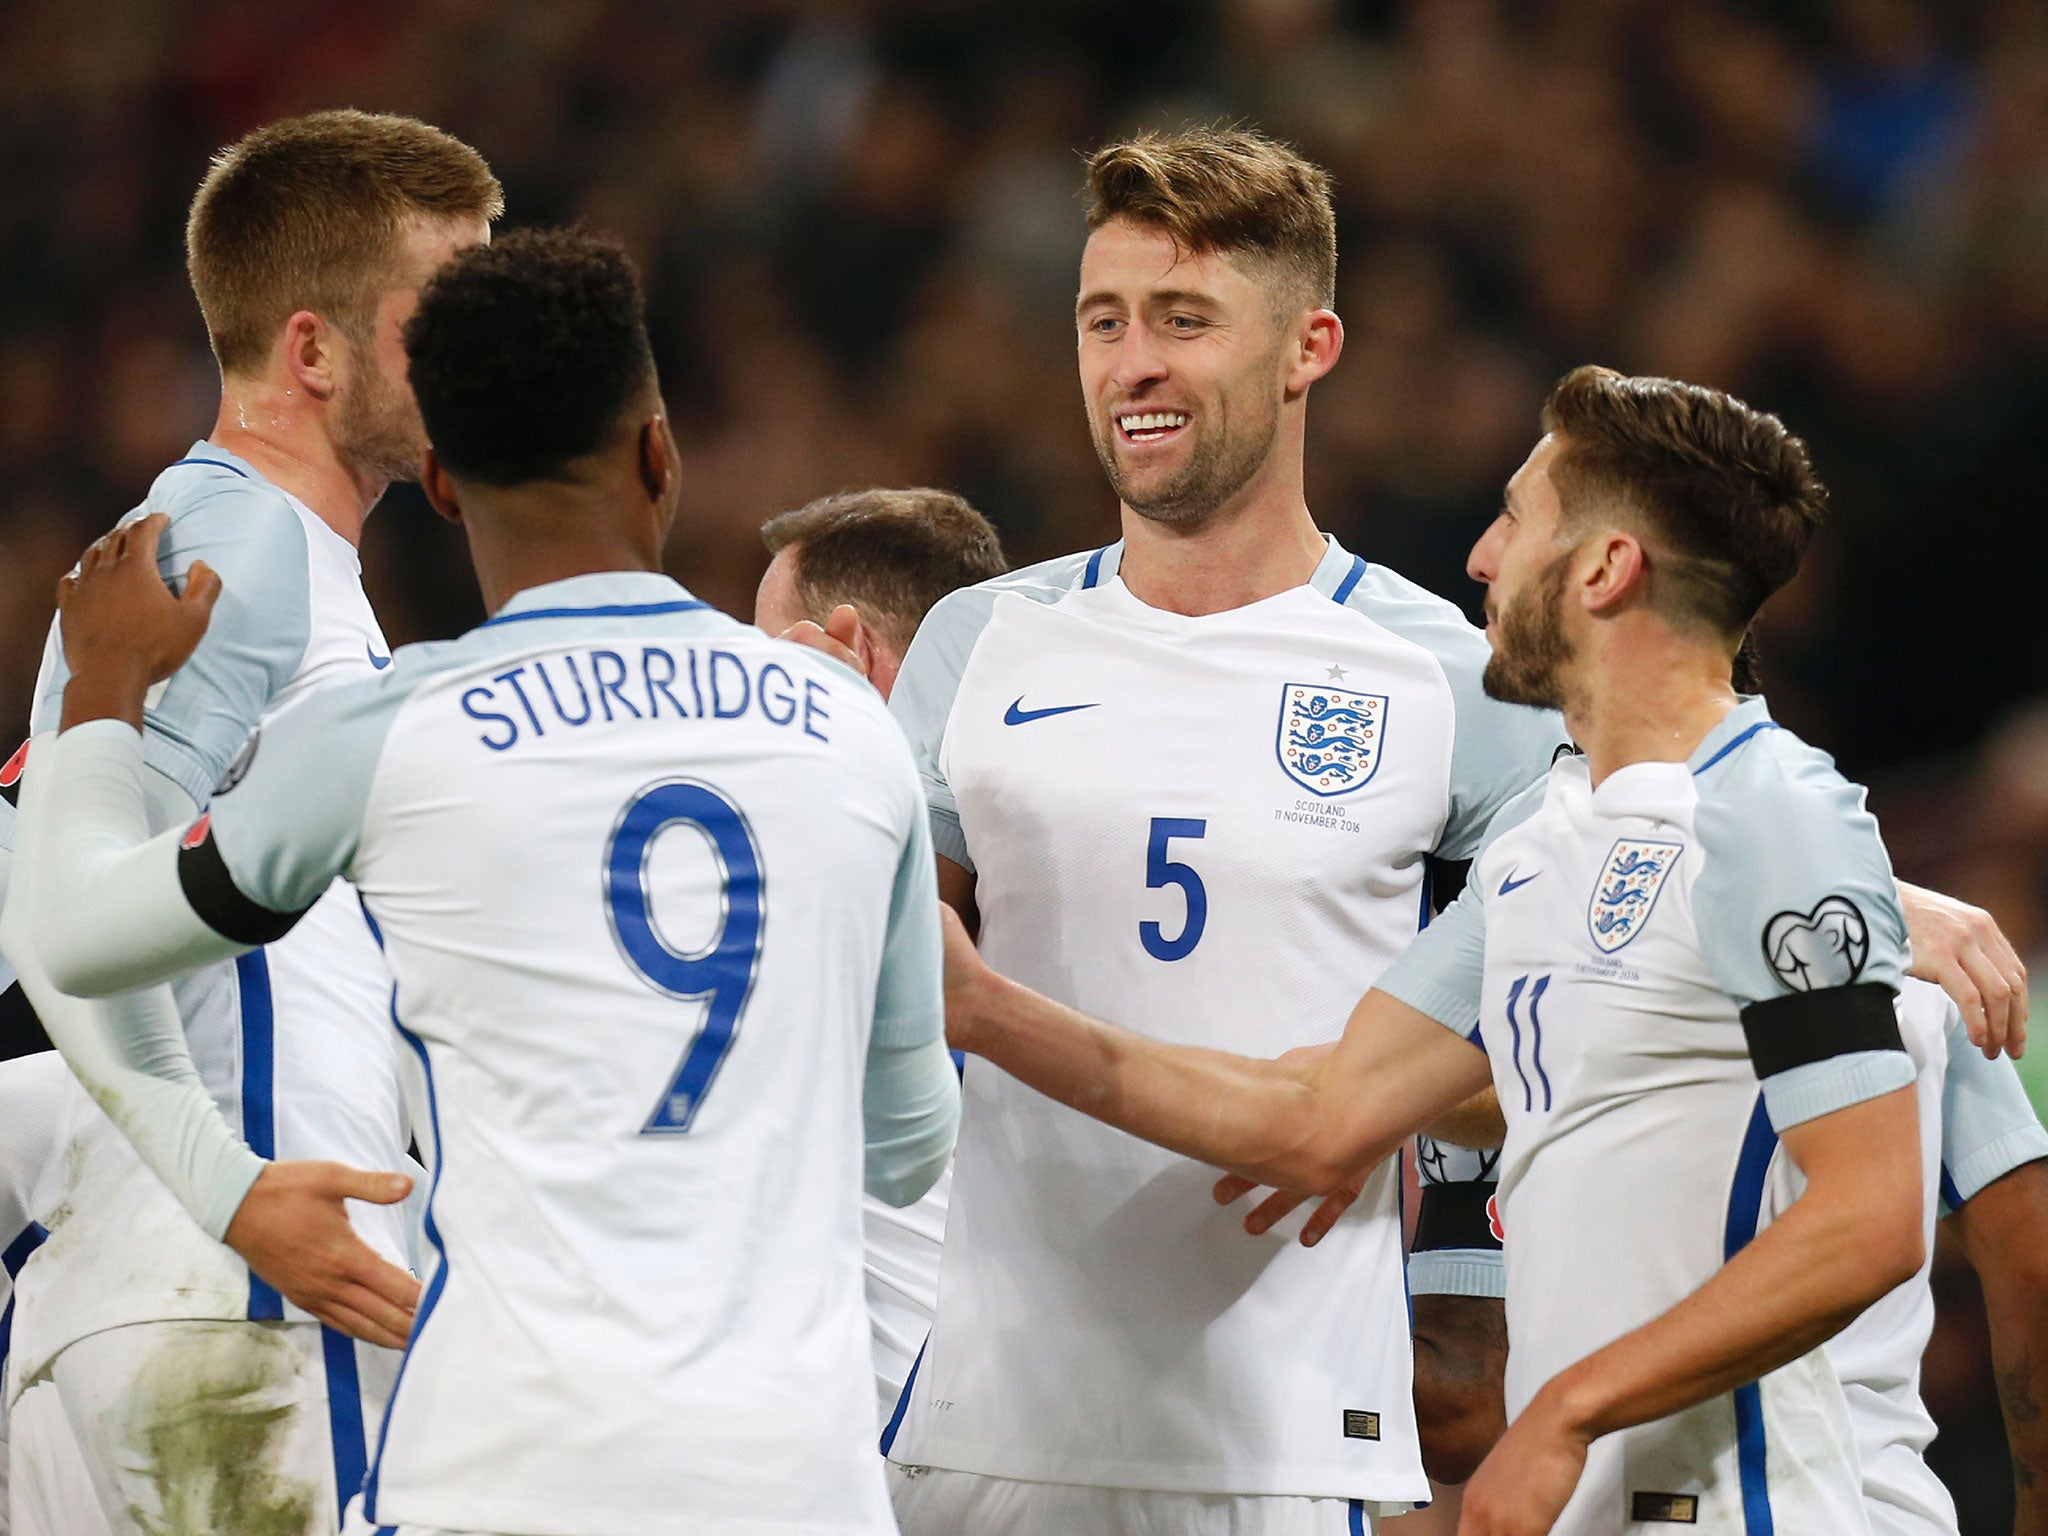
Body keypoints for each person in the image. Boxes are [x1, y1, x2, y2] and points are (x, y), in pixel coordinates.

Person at [864, 125, 2023, 1536]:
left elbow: (1663, 856)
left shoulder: (1447, 674)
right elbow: (924, 977)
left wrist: (1880, 898)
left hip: (1308, 1426)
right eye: (1103, 321)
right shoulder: (980, 643)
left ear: (1309, 348)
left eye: (1184, 320)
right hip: (990, 1397)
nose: (1133, 363)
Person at [17, 228, 959, 1536]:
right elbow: (909, 1147)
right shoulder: (845, 725)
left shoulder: (387, 733)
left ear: (445, 486)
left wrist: (107, 698)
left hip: (501, 1472)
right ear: (660, 456)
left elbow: (73, 937)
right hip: (792, 1481)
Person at [0, 110, 501, 1536]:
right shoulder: (246, 549)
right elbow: (62, 923)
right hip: (241, 1289)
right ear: (313, 352)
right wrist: (231, 1198)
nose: (480, 348)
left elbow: (29, 891)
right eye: (444, 310)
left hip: (129, 1290)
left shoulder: (213, 549)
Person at [1395, 977, 2048, 1536]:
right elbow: (2031, 1259)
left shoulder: (1548, 981)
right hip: (1887, 1502)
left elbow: (1463, 1414)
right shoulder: (1927, 962)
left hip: (1679, 1497)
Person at [753, 486, 1008, 1426]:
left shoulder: (791, 879)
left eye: (769, 653)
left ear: (850, 653)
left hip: (881, 1457)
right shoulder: (1073, 862)